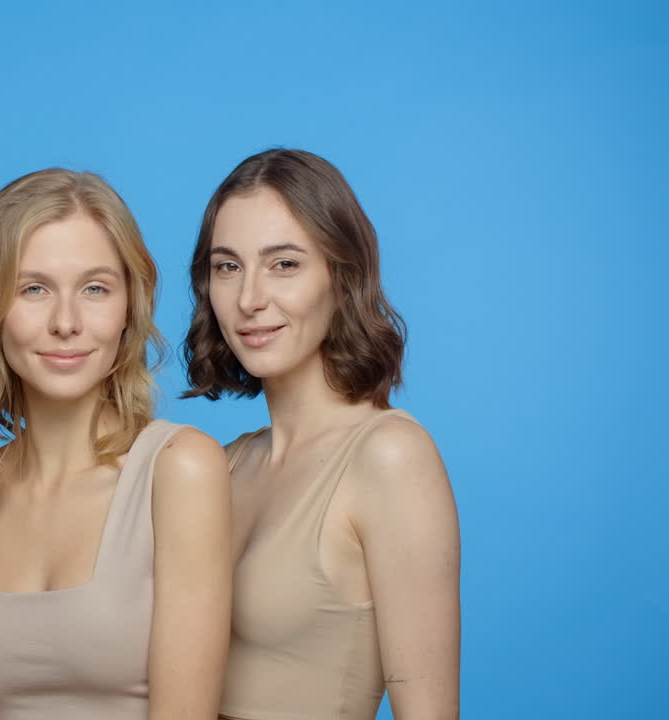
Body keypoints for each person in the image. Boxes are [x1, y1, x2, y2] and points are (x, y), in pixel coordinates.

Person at [0, 169, 232, 720]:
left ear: (129, 307)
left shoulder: (179, 471)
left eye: (95, 289)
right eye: (33, 289)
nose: (66, 323)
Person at [183, 149, 460, 720]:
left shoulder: (390, 457)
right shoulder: (221, 464)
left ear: (342, 276)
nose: (249, 299)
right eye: (227, 267)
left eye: (283, 264)